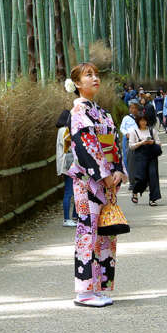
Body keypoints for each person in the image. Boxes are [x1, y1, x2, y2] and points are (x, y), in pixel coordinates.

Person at [68, 62, 126, 307]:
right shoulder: (78, 113)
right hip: (88, 181)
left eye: (96, 75)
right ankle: (84, 290)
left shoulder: (102, 113)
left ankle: (99, 286)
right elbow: (86, 147)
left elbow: (113, 143)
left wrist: (118, 171)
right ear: (77, 84)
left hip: (107, 180)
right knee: (87, 231)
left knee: (105, 233)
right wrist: (103, 173)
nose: (94, 79)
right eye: (88, 75)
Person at [127, 111, 163, 206]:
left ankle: (153, 199)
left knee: (153, 176)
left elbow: (159, 143)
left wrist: (152, 142)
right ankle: (135, 192)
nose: (143, 122)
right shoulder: (133, 132)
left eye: (145, 120)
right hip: (140, 157)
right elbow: (131, 146)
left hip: (152, 156)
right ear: (138, 121)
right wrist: (141, 143)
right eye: (141, 121)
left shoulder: (152, 131)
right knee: (141, 178)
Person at [55, 108, 77, 227]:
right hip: (69, 163)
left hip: (65, 163)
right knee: (69, 191)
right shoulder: (65, 130)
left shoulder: (61, 130)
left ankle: (74, 216)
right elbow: (68, 147)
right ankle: (67, 218)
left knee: (73, 191)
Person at [119, 101, 141, 167]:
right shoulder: (126, 118)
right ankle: (128, 172)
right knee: (127, 155)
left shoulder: (140, 117)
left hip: (138, 138)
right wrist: (126, 134)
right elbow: (122, 128)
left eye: (135, 108)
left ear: (138, 109)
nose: (134, 110)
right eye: (132, 108)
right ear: (129, 109)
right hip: (127, 138)